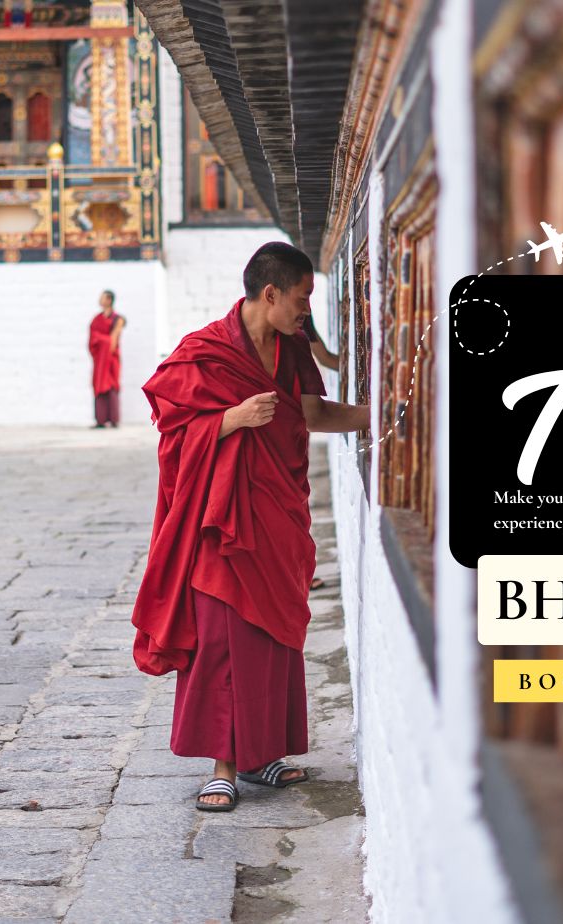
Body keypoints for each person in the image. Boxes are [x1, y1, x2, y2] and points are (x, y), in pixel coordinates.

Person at [132, 241, 369, 812]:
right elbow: (171, 432)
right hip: (221, 518)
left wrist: (381, 415)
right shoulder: (204, 351)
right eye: (302, 299)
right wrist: (230, 420)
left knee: (272, 632)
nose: (306, 312)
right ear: (271, 294)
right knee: (221, 636)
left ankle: (262, 753)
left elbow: (312, 415)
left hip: (276, 508)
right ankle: (222, 766)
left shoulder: (290, 350)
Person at [88, 290, 126, 428]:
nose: (100, 300)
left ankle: (114, 419)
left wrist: (103, 341)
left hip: (111, 359)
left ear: (109, 300)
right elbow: (93, 337)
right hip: (100, 359)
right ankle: (101, 420)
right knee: (99, 385)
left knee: (111, 385)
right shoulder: (96, 319)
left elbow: (113, 341)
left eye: (103, 298)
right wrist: (103, 341)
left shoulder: (118, 319)